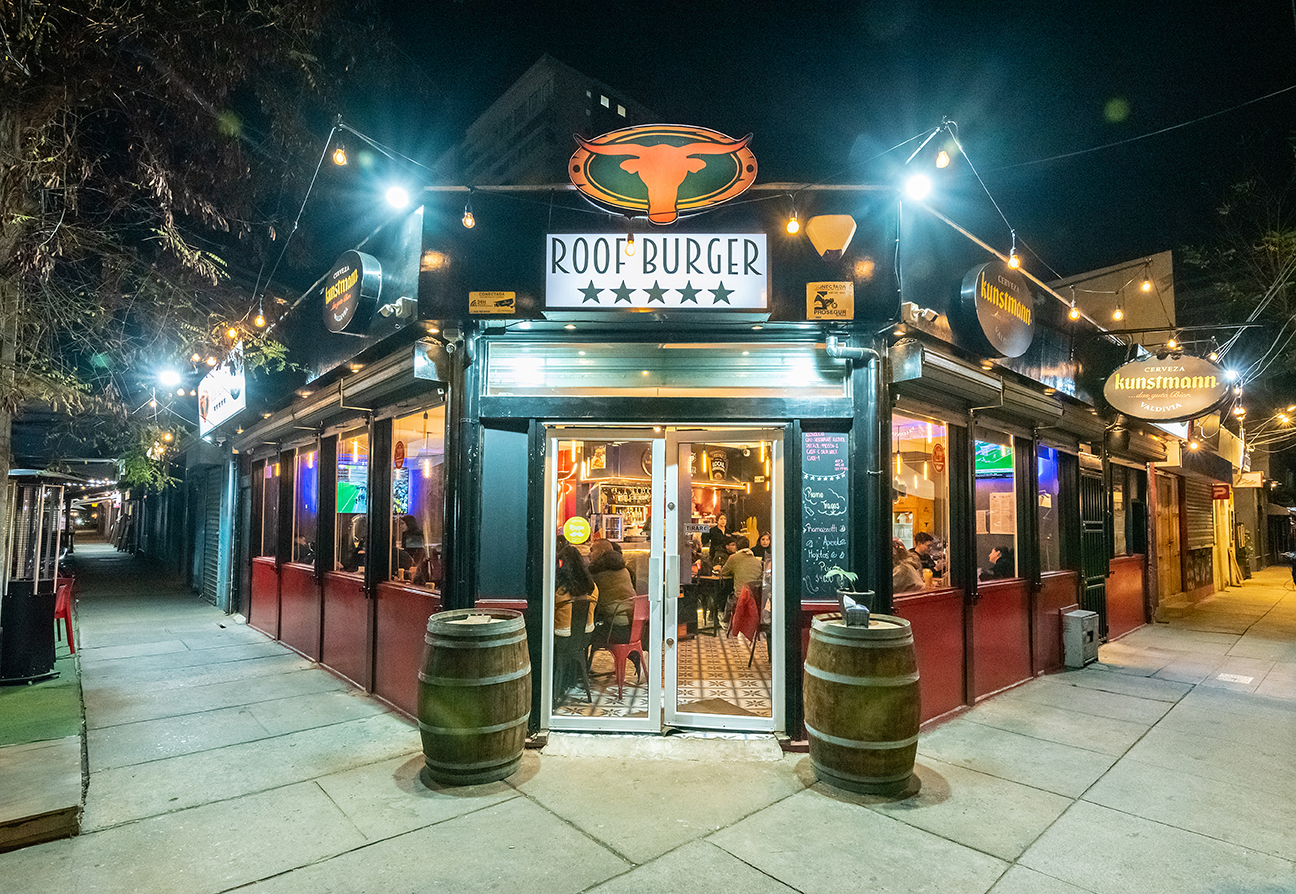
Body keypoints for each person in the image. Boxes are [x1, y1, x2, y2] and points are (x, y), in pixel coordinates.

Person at [588, 539, 636, 645]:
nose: (588, 554)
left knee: (585, 634)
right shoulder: (624, 570)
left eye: (592, 550)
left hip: (613, 629)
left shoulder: (598, 575)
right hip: (631, 626)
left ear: (602, 552)